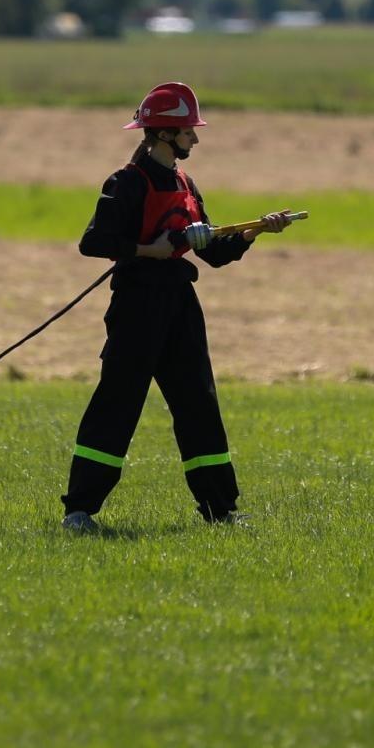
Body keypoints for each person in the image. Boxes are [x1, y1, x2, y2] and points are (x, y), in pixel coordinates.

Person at [61, 81, 292, 533]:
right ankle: (79, 511)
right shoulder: (125, 182)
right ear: (165, 135)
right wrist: (151, 249)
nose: (196, 139)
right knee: (118, 403)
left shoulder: (187, 184)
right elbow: (95, 242)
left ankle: (220, 510)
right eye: (189, 131)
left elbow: (213, 254)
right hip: (137, 306)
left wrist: (256, 231)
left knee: (198, 404)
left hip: (180, 307)